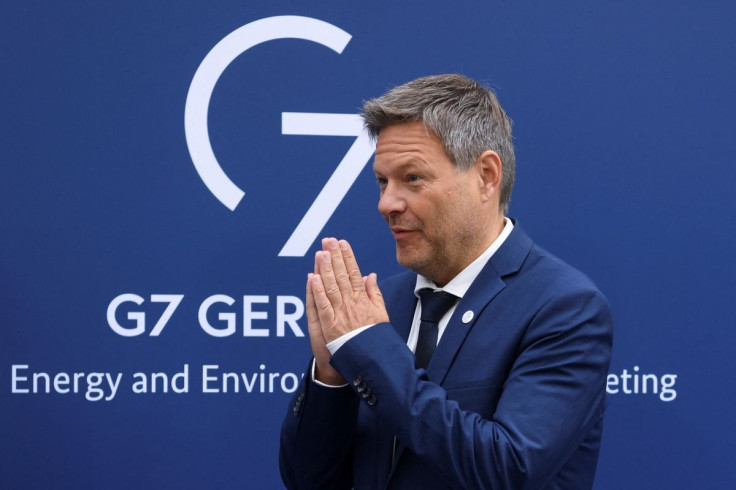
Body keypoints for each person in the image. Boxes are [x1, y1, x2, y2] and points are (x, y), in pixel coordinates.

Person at [279, 74, 613, 489]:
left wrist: (370, 353)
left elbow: (508, 470)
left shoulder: (564, 307)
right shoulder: (379, 305)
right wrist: (332, 376)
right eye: (383, 181)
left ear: (487, 176)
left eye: (412, 178)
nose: (387, 204)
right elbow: (308, 480)